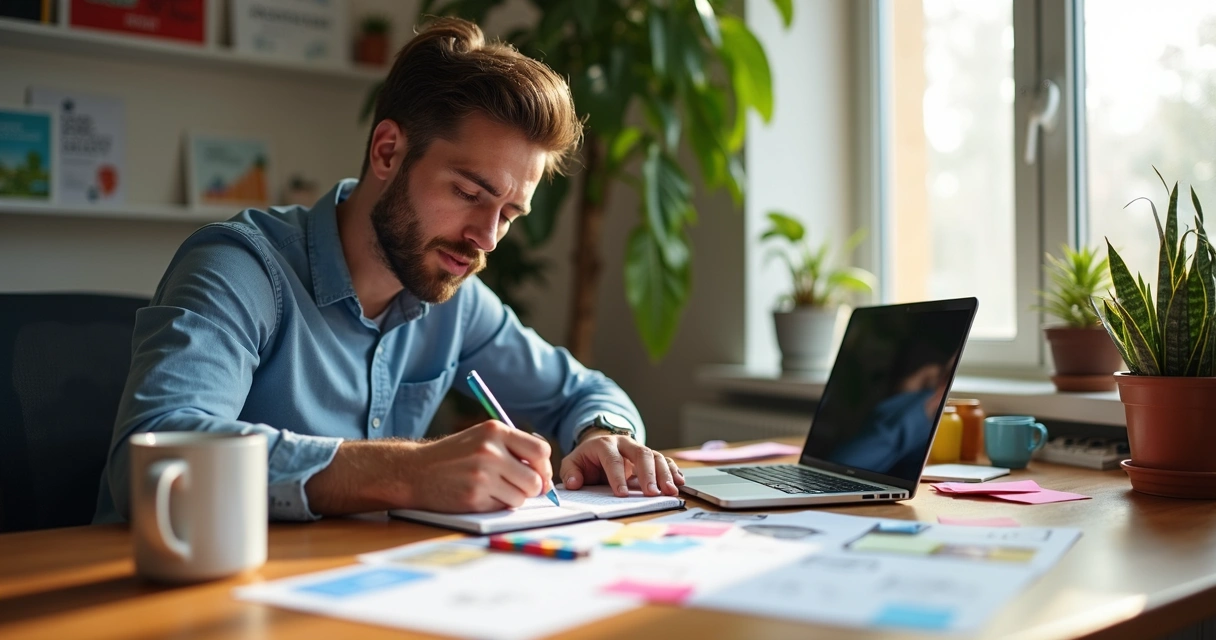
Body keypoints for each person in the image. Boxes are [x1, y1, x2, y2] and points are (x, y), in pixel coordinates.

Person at [94, 17, 684, 523]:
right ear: (387, 152)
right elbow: (153, 458)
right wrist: (406, 471)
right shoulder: (240, 267)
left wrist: (607, 436)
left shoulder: (456, 299)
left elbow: (585, 391)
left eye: (509, 214)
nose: (486, 238)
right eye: (468, 193)